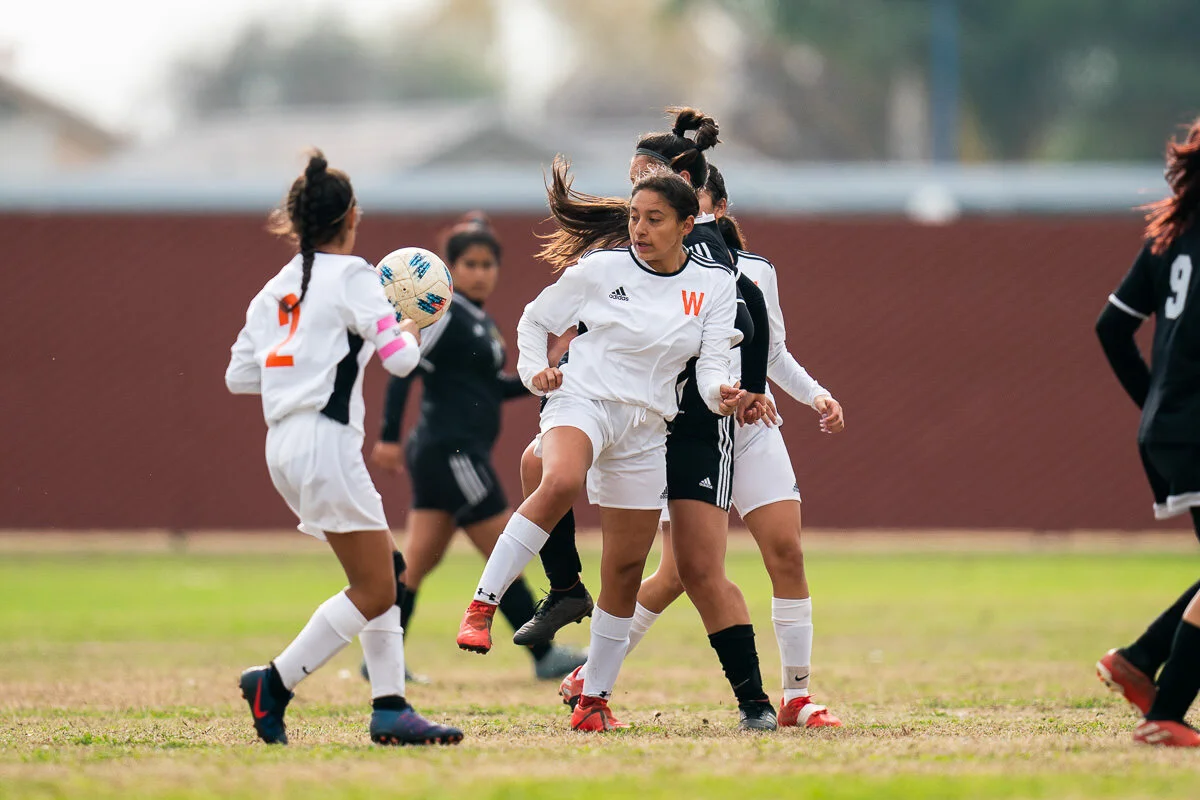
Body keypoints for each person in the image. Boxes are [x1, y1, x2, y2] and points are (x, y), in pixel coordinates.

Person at [513, 111, 782, 730]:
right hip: (630, 417)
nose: (633, 198)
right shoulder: (634, 245)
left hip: (694, 424)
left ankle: (757, 703)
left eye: (644, 180)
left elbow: (751, 321)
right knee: (539, 463)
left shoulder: (708, 252)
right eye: (632, 184)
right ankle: (566, 591)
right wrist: (562, 370)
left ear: (683, 188)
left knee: (696, 570)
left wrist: (748, 387)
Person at [557, 164, 846, 729]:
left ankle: (796, 697)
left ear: (708, 206)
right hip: (685, 428)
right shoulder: (635, 268)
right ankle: (595, 676)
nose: (645, 220)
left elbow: (772, 349)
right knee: (683, 571)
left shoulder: (753, 271)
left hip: (750, 426)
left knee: (785, 552)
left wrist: (813, 395)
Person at [456, 168, 745, 731]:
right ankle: (483, 605)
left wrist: (721, 394)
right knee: (560, 479)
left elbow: (710, 367)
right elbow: (535, 320)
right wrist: (534, 371)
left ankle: (594, 701)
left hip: (646, 426)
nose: (640, 228)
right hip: (582, 398)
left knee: (625, 569)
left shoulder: (714, 285)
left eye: (654, 219)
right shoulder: (600, 269)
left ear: (687, 225)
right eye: (634, 217)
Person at [224, 151, 462, 747]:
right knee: (379, 588)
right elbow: (400, 361)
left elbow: (239, 376)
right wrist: (411, 328)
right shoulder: (356, 275)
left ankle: (390, 708)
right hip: (326, 443)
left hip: (283, 445)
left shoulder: (272, 291)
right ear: (351, 216)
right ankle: (274, 682)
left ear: (296, 220)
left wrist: (303, 364)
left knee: (388, 568)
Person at [368, 213, 586, 681]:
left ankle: (380, 660)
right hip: (454, 454)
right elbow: (403, 365)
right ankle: (544, 654)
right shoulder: (441, 312)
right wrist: (387, 435)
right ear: (448, 269)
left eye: (488, 264)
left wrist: (543, 374)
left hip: (445, 455)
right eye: (470, 264)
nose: (480, 273)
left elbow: (487, 388)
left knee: (415, 565)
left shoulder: (479, 321)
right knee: (507, 546)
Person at [1094, 117, 1200, 747]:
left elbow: (1111, 327)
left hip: (1171, 427)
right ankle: (1166, 713)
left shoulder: (1171, 235)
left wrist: (1154, 404)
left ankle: (1139, 660)